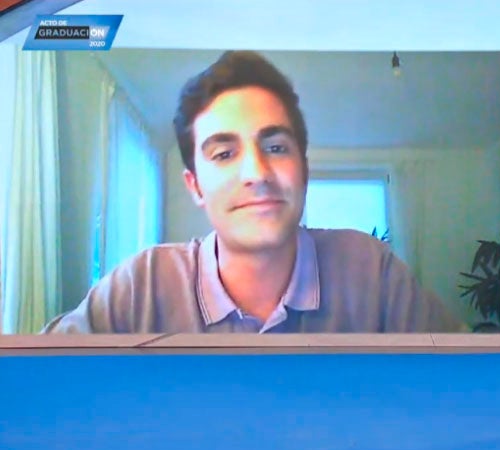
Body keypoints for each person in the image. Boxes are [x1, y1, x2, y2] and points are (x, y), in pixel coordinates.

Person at [42, 51, 466, 334]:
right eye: (224, 153)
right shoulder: (140, 287)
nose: (257, 173)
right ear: (195, 186)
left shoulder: (372, 271)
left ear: (304, 169)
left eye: (276, 147)